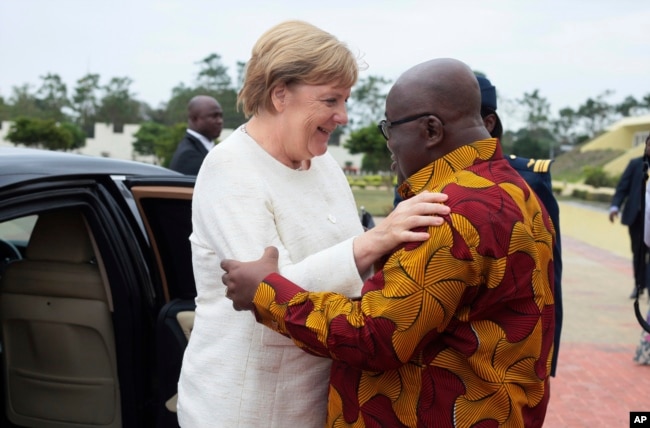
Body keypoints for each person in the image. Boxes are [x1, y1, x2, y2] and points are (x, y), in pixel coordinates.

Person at [222, 58, 556, 427]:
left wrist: (266, 291)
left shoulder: (449, 213)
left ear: (431, 130)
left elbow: (375, 337)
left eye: (389, 128)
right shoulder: (511, 187)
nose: (389, 144)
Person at [176, 21, 450, 428]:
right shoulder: (230, 169)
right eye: (330, 100)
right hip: (248, 406)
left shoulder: (324, 163)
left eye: (346, 100)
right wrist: (374, 241)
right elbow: (268, 292)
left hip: (324, 395)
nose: (342, 116)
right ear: (280, 93)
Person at [476, 73, 563, 377]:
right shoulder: (417, 176)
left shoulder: (529, 178)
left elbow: (549, 273)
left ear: (488, 123)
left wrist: (546, 358)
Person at [609, 133, 650, 298]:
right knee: (638, 252)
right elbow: (622, 188)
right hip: (638, 217)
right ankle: (639, 285)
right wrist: (614, 207)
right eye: (648, 144)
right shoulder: (636, 165)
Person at [168, 95, 223, 175]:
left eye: (221, 116)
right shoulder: (189, 155)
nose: (220, 121)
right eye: (214, 116)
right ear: (194, 118)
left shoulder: (206, 148)